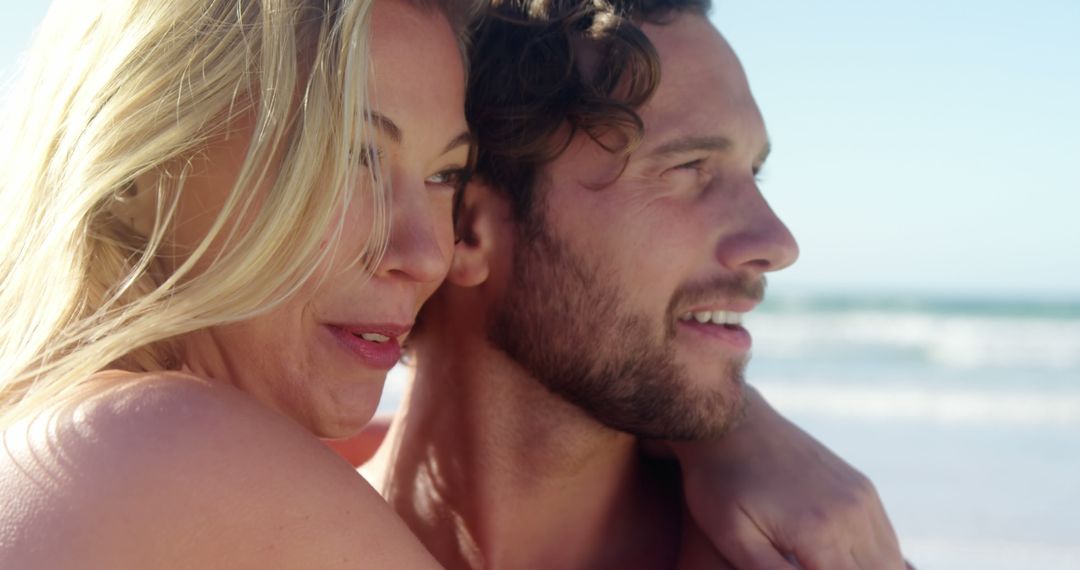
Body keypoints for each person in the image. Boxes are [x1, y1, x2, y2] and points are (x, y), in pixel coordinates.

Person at [364, 0, 911, 568]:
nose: (776, 242)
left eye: (754, 173)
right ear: (469, 231)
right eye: (688, 167)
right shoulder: (283, 527)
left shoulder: (797, 550)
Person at [0, 0, 476, 566]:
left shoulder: (52, 442)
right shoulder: (174, 446)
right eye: (351, 156)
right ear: (138, 168)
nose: (424, 256)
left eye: (445, 175)